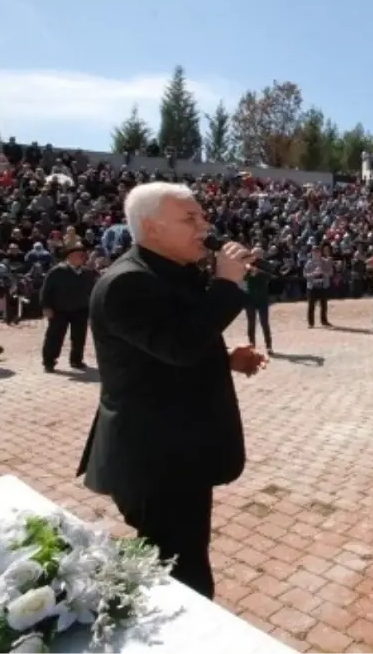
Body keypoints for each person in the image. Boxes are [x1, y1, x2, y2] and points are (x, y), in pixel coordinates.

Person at [76, 182, 266, 599]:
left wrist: (223, 357)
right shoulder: (128, 283)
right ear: (151, 228)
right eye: (189, 218)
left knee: (179, 558)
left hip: (175, 454)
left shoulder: (169, 273)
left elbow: (170, 345)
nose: (205, 225)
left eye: (202, 215)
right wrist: (227, 285)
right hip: (154, 462)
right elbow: (180, 346)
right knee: (182, 578)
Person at [40, 241, 97, 372]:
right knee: (55, 336)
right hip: (59, 310)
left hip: (80, 309)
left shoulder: (86, 273)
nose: (82, 258)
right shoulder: (57, 271)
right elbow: (46, 290)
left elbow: (92, 291)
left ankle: (76, 360)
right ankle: (49, 361)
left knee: (79, 337)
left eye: (83, 255)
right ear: (70, 256)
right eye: (79, 255)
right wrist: (46, 306)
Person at [243, 246, 274, 353]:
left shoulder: (266, 265)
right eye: (255, 254)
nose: (256, 256)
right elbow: (243, 277)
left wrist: (258, 272)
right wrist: (249, 271)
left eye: (259, 254)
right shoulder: (246, 265)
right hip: (250, 299)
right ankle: (252, 346)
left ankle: (268, 345)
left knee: (264, 323)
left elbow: (269, 276)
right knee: (251, 324)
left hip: (262, 299)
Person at [304, 246, 332, 328]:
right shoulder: (309, 263)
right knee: (311, 305)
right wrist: (313, 274)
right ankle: (311, 323)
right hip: (312, 287)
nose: (316, 253)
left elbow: (330, 273)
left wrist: (323, 272)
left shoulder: (325, 262)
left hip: (323, 286)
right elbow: (305, 275)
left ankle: (324, 321)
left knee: (324, 305)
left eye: (318, 252)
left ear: (320, 253)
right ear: (312, 253)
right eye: (314, 252)